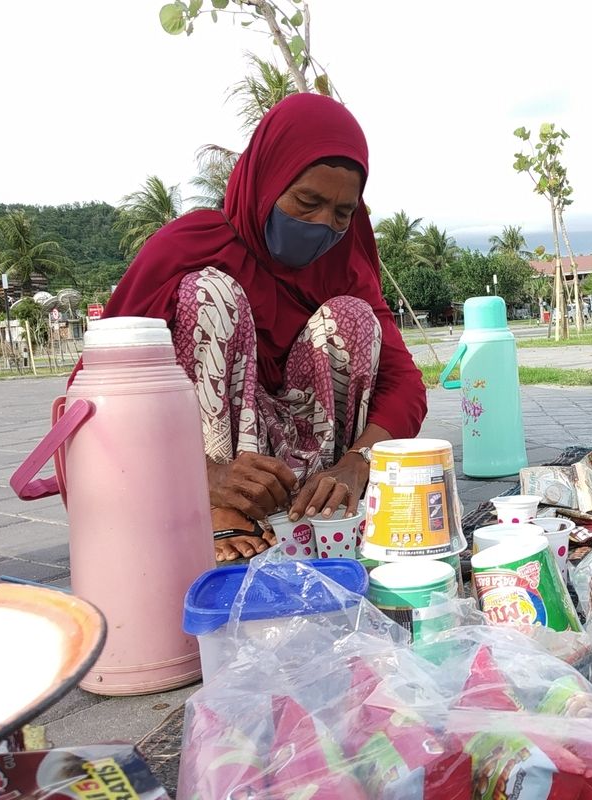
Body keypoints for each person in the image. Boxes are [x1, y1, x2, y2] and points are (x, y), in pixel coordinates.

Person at [102, 94, 427, 562]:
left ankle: (311, 508)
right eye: (307, 202)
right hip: (206, 470)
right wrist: (206, 476)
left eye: (342, 213)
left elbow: (404, 384)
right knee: (209, 294)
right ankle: (221, 510)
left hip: (305, 470)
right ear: (268, 179)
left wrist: (358, 463)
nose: (323, 225)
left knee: (353, 317)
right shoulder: (187, 246)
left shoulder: (346, 266)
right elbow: (110, 386)